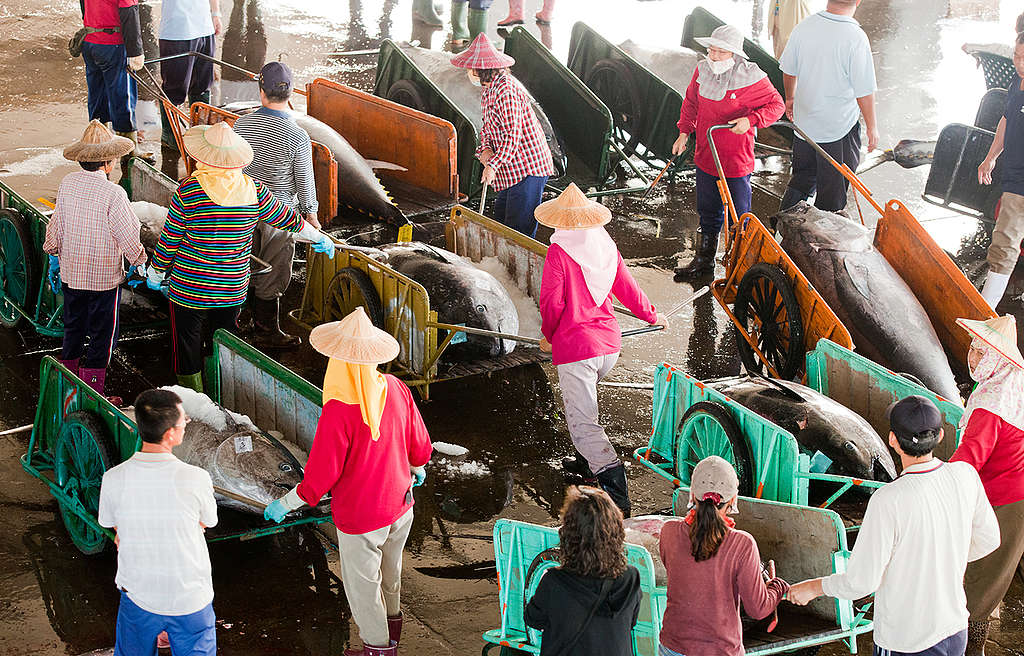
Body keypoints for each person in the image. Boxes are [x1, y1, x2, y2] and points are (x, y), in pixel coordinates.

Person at [264, 307, 433, 656]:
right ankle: (393, 636)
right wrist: (415, 467)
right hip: (401, 507)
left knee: (363, 587)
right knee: (391, 574)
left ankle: (377, 649)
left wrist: (288, 502)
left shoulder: (340, 410)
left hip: (361, 520)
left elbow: (321, 477)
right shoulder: (396, 388)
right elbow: (420, 446)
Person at [788, 395, 1000, 656]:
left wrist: (813, 587)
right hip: (954, 630)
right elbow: (990, 539)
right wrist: (942, 559)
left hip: (906, 641)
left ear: (892, 440)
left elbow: (861, 583)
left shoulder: (888, 500)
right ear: (941, 436)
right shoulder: (965, 476)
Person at [147, 122, 335, 392]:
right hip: (232, 289)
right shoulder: (254, 191)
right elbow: (288, 218)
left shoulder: (188, 192)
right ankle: (220, 392)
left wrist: (154, 273)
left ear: (202, 157)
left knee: (186, 346)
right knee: (222, 342)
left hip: (189, 289)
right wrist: (319, 237)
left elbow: (169, 242)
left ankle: (195, 398)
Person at [537, 184, 666, 516]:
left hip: (577, 350)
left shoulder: (559, 253)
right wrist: (653, 315)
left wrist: (549, 336)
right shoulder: (605, 246)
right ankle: (586, 463)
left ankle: (616, 491)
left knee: (583, 423)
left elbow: (551, 304)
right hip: (608, 344)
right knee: (585, 408)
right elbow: (628, 288)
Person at [98, 388, 218, 656]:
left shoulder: (114, 478)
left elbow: (115, 526)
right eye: (183, 421)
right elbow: (207, 522)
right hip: (190, 598)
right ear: (170, 434)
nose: (185, 425)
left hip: (139, 594)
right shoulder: (196, 478)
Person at [43, 121, 148, 404]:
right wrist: (140, 262)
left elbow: (57, 223)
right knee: (102, 334)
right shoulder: (114, 194)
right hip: (103, 281)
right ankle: (95, 391)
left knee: (73, 326)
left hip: (72, 274)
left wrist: (53, 253)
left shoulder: (68, 184)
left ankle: (70, 386)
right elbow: (128, 235)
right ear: (109, 163)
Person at [670, 24, 785, 280]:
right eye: (711, 50)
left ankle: (742, 269)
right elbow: (691, 103)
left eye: (721, 52)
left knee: (739, 215)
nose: (713, 56)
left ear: (734, 53)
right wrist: (684, 132)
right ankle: (703, 261)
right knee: (708, 209)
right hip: (706, 154)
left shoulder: (751, 76)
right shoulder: (702, 71)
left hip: (735, 159)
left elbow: (777, 105)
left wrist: (752, 120)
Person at [658, 456, 788, 656]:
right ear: (734, 500)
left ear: (692, 495)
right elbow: (758, 609)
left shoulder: (668, 531)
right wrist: (777, 586)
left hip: (672, 647)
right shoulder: (742, 544)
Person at [949, 315, 1024, 656]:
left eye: (982, 351)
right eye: (973, 348)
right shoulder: (1014, 382)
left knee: (982, 576)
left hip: (1006, 500)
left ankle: (973, 646)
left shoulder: (990, 406)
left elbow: (967, 461)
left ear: (998, 358)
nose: (972, 357)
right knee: (1005, 567)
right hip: (1016, 486)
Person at [233, 62, 319, 350]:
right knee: (273, 269)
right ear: (290, 92)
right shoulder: (298, 135)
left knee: (242, 263)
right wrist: (311, 216)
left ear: (261, 92)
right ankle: (266, 330)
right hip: (278, 216)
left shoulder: (241, 124)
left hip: (242, 208)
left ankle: (239, 319)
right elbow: (305, 181)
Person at [778, 0, 878, 214]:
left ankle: (781, 230)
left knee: (802, 180)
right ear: (858, 1)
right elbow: (864, 91)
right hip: (838, 129)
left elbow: (788, 70)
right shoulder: (855, 37)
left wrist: (790, 98)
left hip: (805, 126)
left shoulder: (804, 27)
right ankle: (821, 241)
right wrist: (872, 126)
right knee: (832, 193)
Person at [450, 34, 555, 238]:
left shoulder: (506, 91)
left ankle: (517, 269)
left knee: (517, 232)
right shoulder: (490, 91)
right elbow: (489, 129)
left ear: (481, 70)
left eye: (471, 68)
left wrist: (493, 165)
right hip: (511, 168)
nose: (469, 72)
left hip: (527, 168)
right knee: (500, 223)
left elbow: (512, 137)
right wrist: (484, 150)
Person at [524, 485, 641, 656]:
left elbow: (533, 619)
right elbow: (631, 622)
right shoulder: (630, 578)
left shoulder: (554, 581)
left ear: (568, 535)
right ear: (616, 531)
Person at [976, 33, 1024, 309]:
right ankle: (985, 310)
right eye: (1016, 56)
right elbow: (1007, 119)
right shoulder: (1016, 84)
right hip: (1015, 181)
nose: (1019, 64)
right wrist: (991, 157)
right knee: (1004, 245)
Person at [79, 0, 148, 163]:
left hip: (90, 41)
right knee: (123, 94)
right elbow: (129, 13)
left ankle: (97, 141)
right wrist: (135, 52)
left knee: (96, 93)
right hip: (113, 44)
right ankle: (129, 148)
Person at [158, 0, 222, 148]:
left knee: (203, 86)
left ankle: (199, 131)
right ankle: (170, 135)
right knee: (174, 89)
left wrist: (216, 14)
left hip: (205, 28)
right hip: (177, 30)